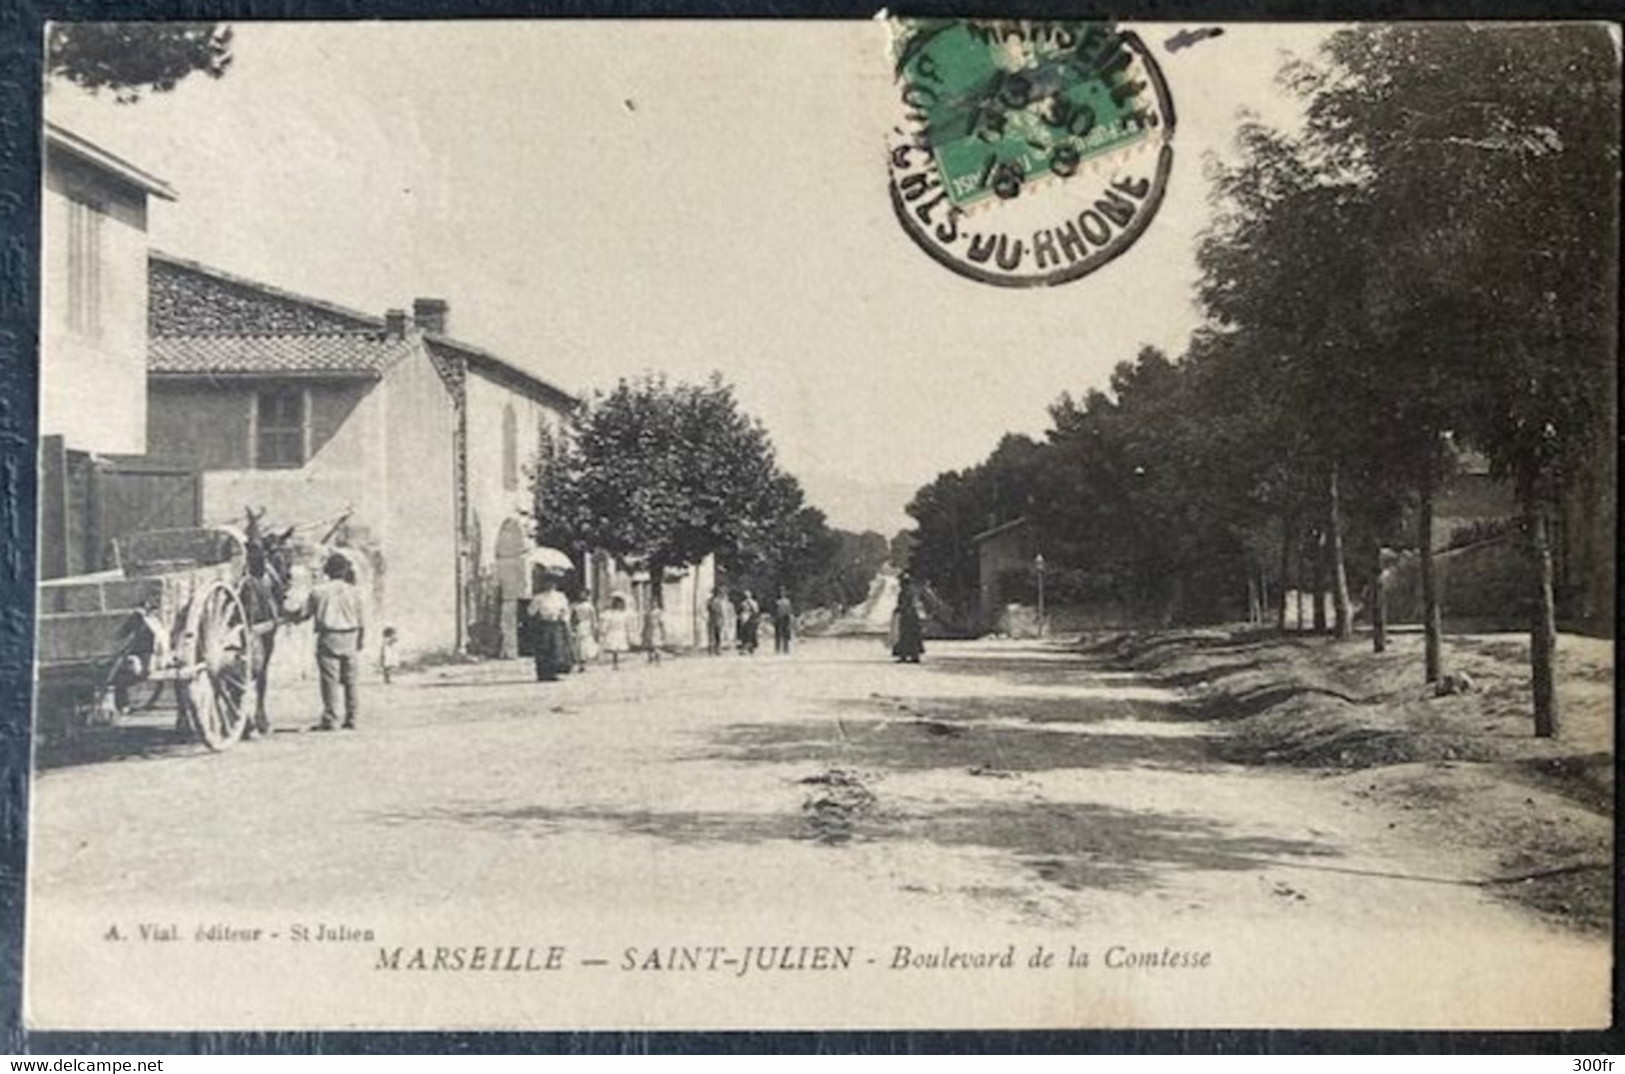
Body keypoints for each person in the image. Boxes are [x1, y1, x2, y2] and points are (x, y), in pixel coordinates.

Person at [293, 552, 366, 730]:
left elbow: (304, 614)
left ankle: (331, 718)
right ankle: (352, 717)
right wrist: (360, 641)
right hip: (351, 635)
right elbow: (362, 620)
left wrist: (290, 615)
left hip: (329, 637)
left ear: (328, 571)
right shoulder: (355, 592)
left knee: (329, 681)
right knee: (351, 680)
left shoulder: (318, 591)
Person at [527, 574, 572, 682]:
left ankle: (552, 673)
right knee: (543, 648)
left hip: (556, 624)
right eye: (547, 583)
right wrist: (538, 616)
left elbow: (566, 610)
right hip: (543, 624)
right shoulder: (539, 597)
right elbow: (530, 611)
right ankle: (542, 673)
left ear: (556, 585)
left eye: (552, 583)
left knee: (555, 648)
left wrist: (564, 620)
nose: (550, 585)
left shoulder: (560, 597)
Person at [891, 575, 925, 665]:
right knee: (907, 636)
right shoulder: (907, 592)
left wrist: (900, 609)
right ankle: (907, 655)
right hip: (908, 616)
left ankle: (911, 655)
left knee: (909, 636)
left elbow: (908, 604)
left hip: (909, 617)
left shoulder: (907, 593)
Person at [599, 594, 632, 670]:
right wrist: (604, 630)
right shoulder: (610, 613)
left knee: (617, 646)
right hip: (613, 631)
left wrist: (628, 632)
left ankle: (616, 662)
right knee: (614, 647)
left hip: (619, 631)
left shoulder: (623, 614)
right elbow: (607, 622)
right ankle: (615, 662)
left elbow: (626, 623)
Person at [570, 590, 599, 672]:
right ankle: (582, 662)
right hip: (583, 624)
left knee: (583, 643)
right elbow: (574, 618)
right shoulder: (579, 607)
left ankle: (583, 662)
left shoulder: (586, 607)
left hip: (585, 624)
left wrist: (594, 626)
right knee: (581, 643)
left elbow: (593, 617)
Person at [706, 588, 730, 656]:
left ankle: (717, 649)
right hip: (713, 619)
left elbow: (723, 611)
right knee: (712, 635)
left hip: (718, 619)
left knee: (718, 635)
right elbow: (707, 609)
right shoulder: (710, 601)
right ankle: (712, 650)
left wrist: (724, 619)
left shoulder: (720, 601)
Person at [738, 590, 761, 655]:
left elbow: (756, 611)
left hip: (751, 619)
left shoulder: (754, 603)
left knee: (751, 634)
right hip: (744, 618)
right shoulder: (743, 603)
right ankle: (745, 648)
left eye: (747, 595)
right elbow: (740, 610)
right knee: (745, 634)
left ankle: (750, 648)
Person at [772, 590, 794, 654]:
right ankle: (780, 649)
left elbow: (789, 611)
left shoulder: (783, 602)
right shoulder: (779, 602)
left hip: (783, 619)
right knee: (780, 635)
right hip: (781, 619)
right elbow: (788, 611)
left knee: (783, 635)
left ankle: (782, 649)